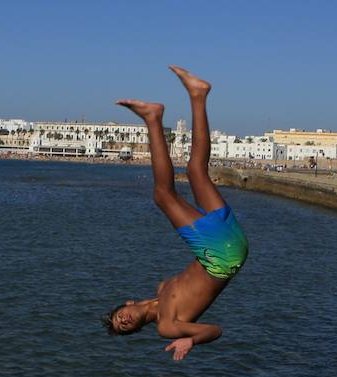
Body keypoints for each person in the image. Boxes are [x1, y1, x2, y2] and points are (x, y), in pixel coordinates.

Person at [104, 65, 249, 360]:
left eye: (121, 318)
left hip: (228, 248)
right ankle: (153, 118)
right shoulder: (167, 327)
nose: (125, 322)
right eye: (126, 329)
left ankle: (198, 94)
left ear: (127, 303)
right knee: (163, 195)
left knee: (196, 172)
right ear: (135, 331)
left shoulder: (162, 288)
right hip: (221, 258)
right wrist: (191, 340)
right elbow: (215, 329)